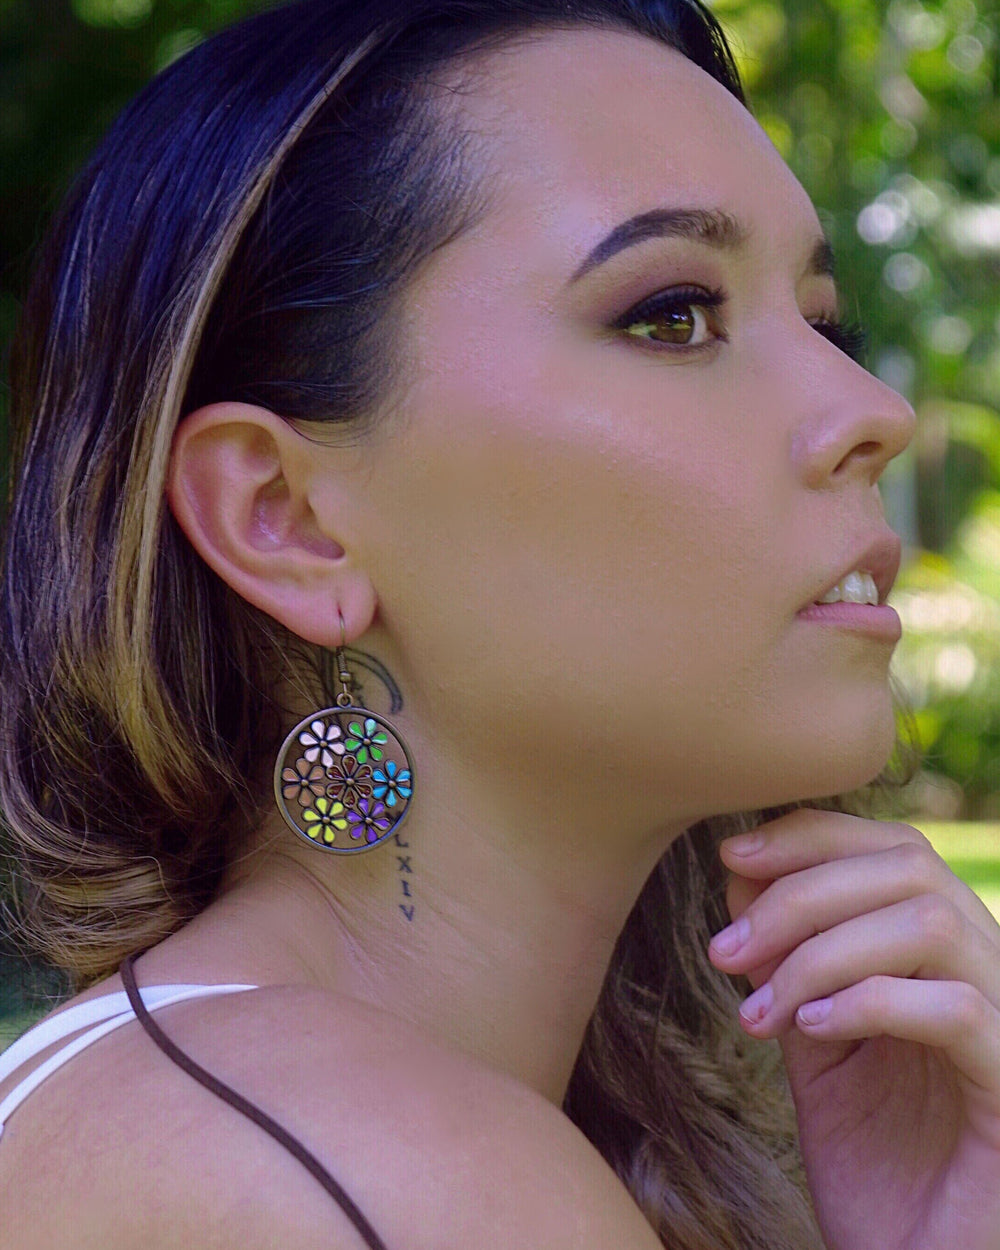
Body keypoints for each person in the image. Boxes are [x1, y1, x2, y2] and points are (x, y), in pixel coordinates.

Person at [0, 0, 998, 1246]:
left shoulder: (203, 1091)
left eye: (824, 321)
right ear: (285, 518)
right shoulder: (380, 1174)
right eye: (672, 314)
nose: (870, 409)